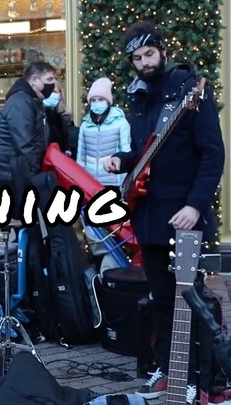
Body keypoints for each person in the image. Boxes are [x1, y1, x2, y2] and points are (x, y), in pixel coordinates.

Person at [104, 21, 224, 402]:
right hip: (150, 216)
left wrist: (195, 205)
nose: (144, 62)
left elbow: (213, 154)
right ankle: (167, 369)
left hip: (185, 214)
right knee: (160, 298)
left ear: (162, 50)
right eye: (137, 58)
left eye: (149, 53)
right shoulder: (139, 95)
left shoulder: (190, 90)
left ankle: (196, 378)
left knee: (190, 301)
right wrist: (123, 161)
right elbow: (147, 151)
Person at [0, 62, 56, 219]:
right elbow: (24, 143)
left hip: (15, 172)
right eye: (49, 79)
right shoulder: (21, 102)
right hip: (11, 175)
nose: (52, 85)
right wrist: (34, 173)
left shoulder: (29, 101)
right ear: (34, 80)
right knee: (24, 222)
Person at [77, 77, 131, 187]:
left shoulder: (120, 123)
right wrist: (80, 181)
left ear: (108, 101)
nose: (97, 103)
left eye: (101, 99)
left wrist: (124, 183)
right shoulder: (85, 125)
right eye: (93, 100)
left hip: (114, 182)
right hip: (90, 182)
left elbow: (126, 153)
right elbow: (81, 157)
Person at [44, 82, 78, 159]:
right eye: (49, 91)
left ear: (60, 95)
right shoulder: (37, 114)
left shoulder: (64, 118)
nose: (51, 94)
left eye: (54, 92)